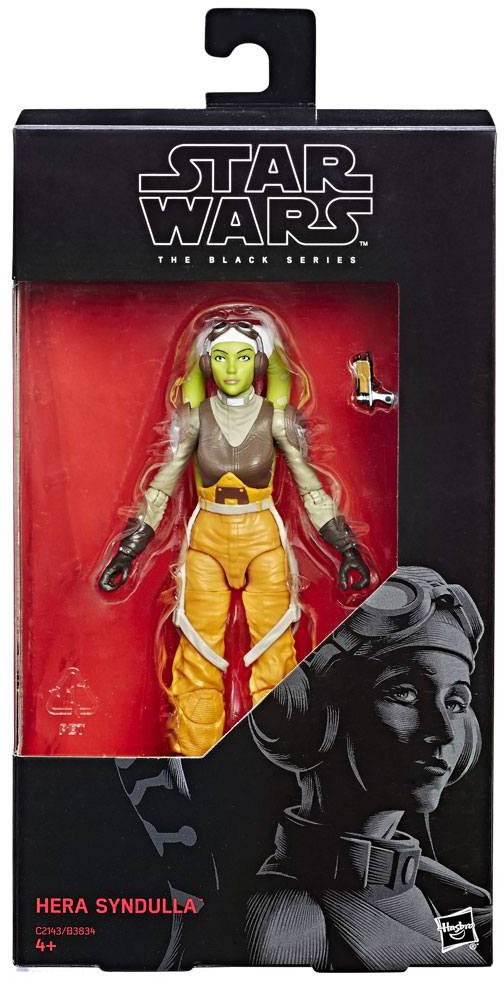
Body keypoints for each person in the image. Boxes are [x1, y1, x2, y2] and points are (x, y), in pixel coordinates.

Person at [99, 319, 370, 756]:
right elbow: (162, 486)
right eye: (221, 358)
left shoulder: (277, 421)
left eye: (242, 358)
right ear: (207, 364)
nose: (231, 369)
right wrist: (128, 551)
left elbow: (311, 488)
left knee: (275, 651)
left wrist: (346, 548)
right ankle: (197, 755)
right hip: (207, 539)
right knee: (197, 651)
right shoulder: (195, 422)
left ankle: (274, 758)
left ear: (258, 364)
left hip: (262, 538)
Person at [247, 566, 491, 969]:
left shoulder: (433, 888)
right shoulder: (293, 923)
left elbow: (438, 941)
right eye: (404, 693)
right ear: (307, 714)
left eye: (455, 702)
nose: (445, 733)